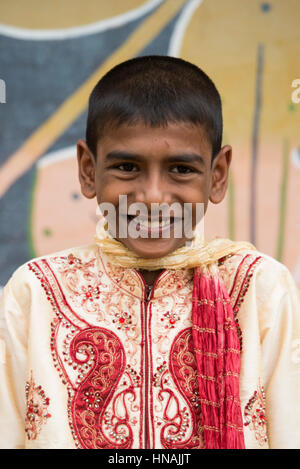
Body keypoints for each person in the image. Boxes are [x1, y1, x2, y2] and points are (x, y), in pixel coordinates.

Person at [0, 56, 299, 450]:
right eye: (127, 167)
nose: (153, 197)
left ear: (218, 174)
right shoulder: (36, 292)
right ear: (89, 171)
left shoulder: (258, 288)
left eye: (181, 169)